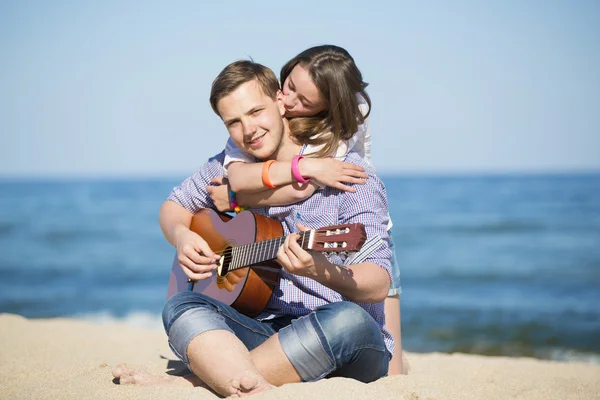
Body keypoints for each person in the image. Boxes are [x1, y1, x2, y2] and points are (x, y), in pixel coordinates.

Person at [113, 60, 395, 397]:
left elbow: (378, 283)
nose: (249, 130)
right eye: (233, 122)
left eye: (256, 112)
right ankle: (249, 384)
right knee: (180, 305)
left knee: (350, 321)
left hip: (337, 338)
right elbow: (173, 206)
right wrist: (182, 236)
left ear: (280, 101)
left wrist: (320, 271)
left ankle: (201, 380)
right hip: (266, 331)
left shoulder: (348, 173)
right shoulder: (230, 165)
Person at [213, 45, 405, 375]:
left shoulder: (337, 134)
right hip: (310, 186)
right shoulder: (263, 122)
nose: (286, 102)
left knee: (392, 363)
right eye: (288, 86)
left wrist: (242, 197)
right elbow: (244, 179)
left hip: (364, 224)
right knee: (186, 306)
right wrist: (240, 201)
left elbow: (310, 187)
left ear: (325, 107)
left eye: (303, 101)